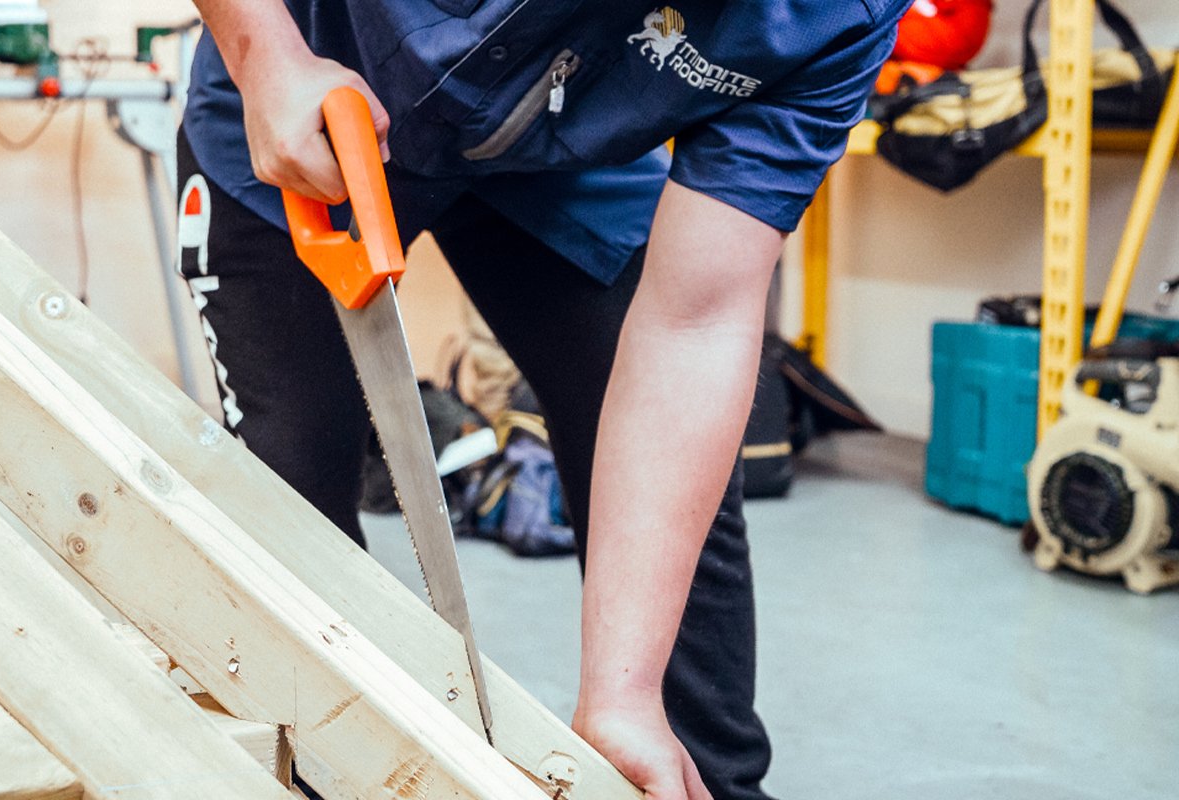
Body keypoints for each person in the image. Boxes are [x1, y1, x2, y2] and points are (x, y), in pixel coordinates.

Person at [179, 2, 910, 798]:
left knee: (672, 492)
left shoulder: (837, 16)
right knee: (294, 515)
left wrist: (623, 698)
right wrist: (266, 56)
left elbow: (696, 323)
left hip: (564, 151)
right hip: (314, 102)